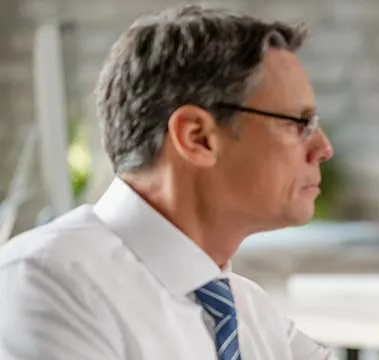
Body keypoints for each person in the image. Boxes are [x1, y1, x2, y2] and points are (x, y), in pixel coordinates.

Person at [0, 5, 336, 360]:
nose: (323, 148)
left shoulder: (250, 311)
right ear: (197, 137)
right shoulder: (46, 282)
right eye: (299, 123)